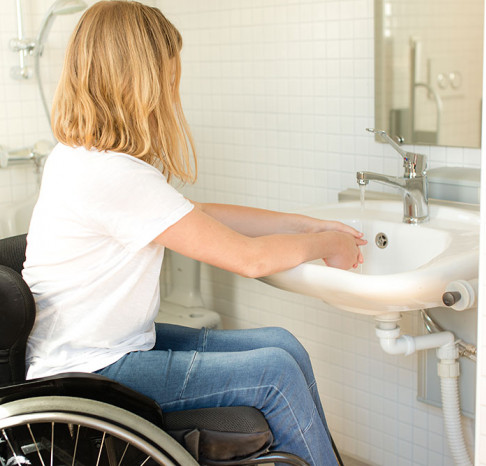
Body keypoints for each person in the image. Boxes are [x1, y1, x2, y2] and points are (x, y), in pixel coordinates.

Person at [22, 2, 366, 465]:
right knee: (276, 372)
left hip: (100, 350)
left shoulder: (83, 156)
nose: (172, 89)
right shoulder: (111, 174)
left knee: (284, 344)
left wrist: (306, 225)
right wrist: (329, 243)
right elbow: (251, 259)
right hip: (91, 371)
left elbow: (196, 213)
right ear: (140, 81)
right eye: (167, 77)